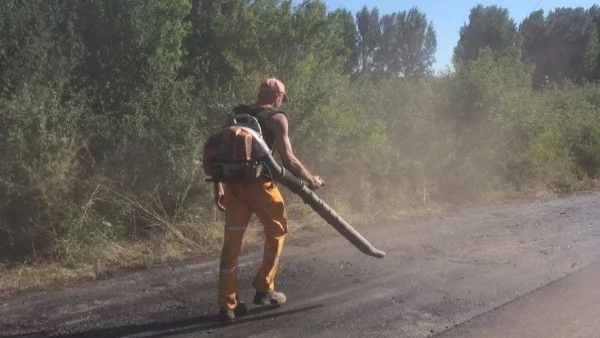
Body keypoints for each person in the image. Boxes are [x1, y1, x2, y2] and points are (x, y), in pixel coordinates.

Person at [214, 77, 325, 321]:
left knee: (231, 243)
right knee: (277, 230)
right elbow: (289, 160)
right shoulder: (277, 117)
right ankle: (265, 288)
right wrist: (311, 179)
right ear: (278, 96)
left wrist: (218, 188)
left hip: (233, 186)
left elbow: (219, 154)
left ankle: (227, 305)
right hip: (260, 185)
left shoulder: (236, 114)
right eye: (281, 98)